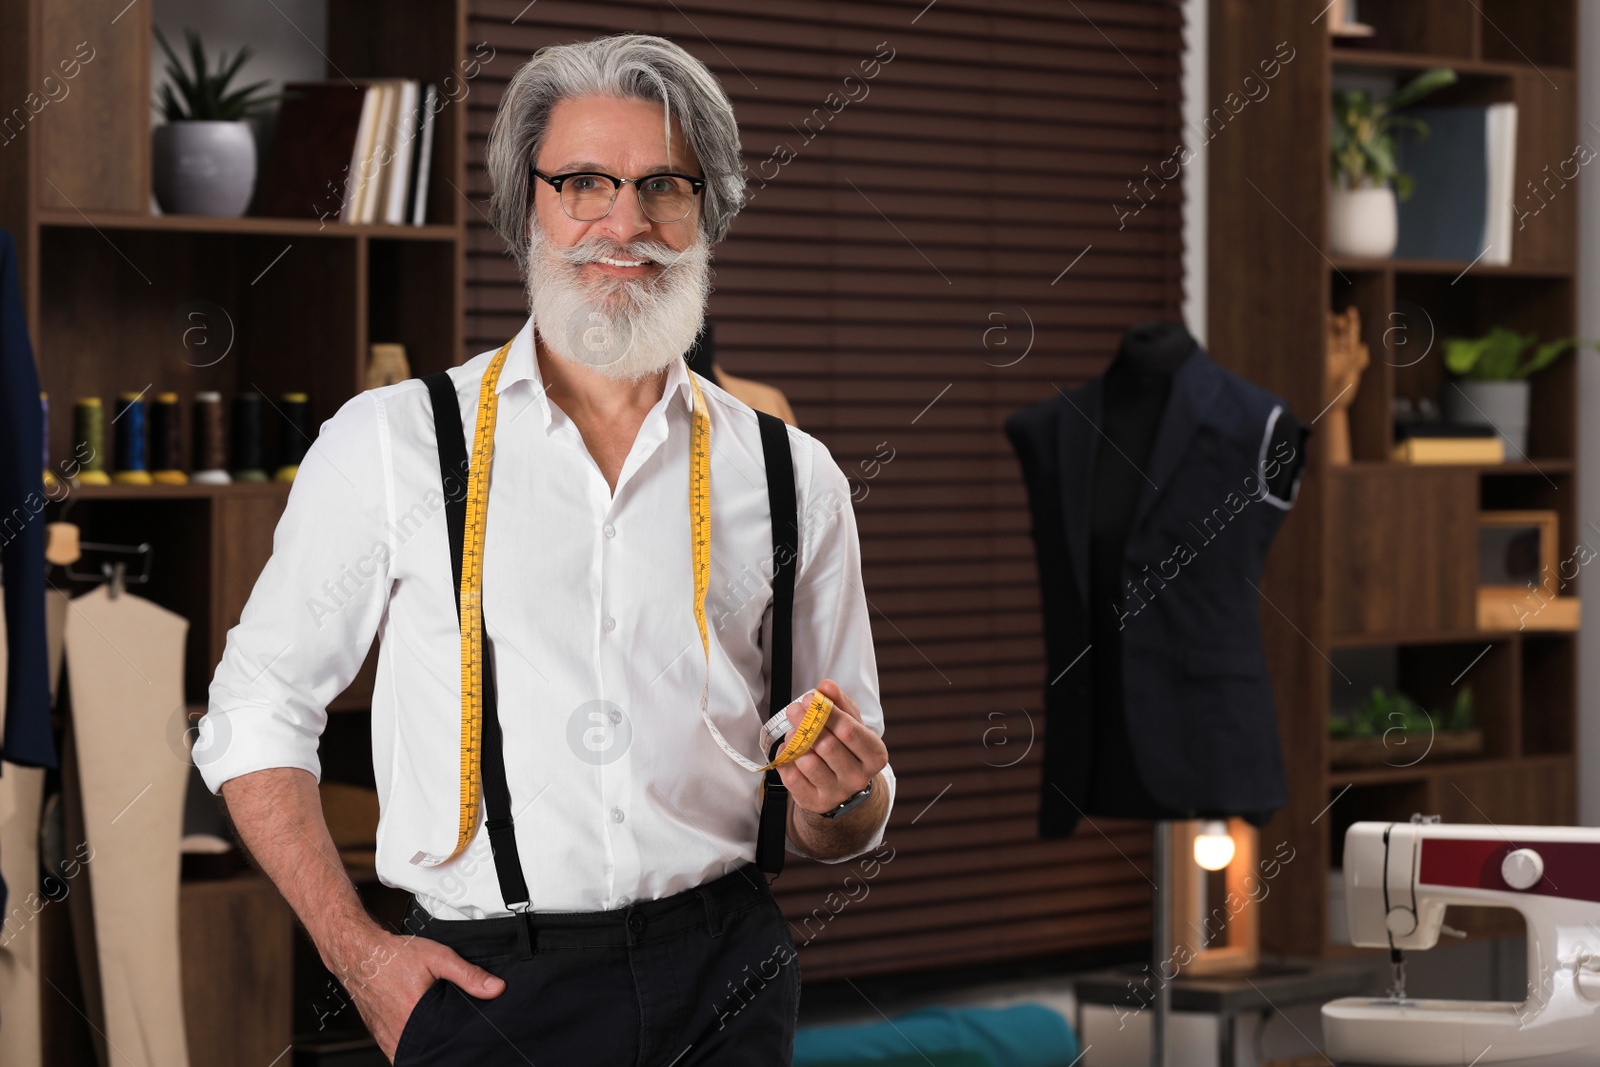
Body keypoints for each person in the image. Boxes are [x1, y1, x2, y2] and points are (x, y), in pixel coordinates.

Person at [197, 33, 894, 1065]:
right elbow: (254, 712)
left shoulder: (794, 476)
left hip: (727, 974)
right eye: (583, 182)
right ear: (527, 203)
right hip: (485, 990)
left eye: (664, 185)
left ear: (709, 211)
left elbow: (844, 808)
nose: (626, 222)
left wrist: (846, 801)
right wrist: (360, 957)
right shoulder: (391, 444)